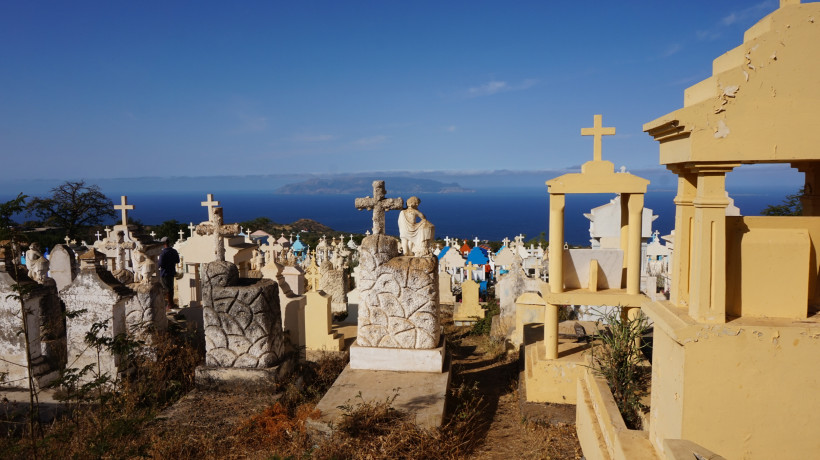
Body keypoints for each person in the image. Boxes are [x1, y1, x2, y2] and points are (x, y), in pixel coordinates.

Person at [158, 239, 180, 309]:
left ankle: (170, 304)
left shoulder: (163, 253)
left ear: (164, 243)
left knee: (166, 289)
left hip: (164, 273)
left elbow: (160, 264)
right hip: (172, 272)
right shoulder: (174, 251)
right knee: (171, 289)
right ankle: (172, 303)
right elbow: (177, 260)